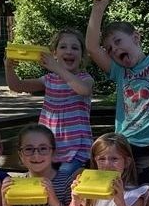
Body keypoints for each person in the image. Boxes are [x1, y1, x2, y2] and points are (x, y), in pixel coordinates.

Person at [85, 0, 149, 185]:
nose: (114, 50)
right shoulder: (119, 71)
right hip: (124, 144)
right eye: (110, 49)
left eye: (118, 41)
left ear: (136, 37)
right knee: (119, 187)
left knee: (148, 189)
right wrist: (98, 7)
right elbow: (92, 47)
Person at [5, 28, 94, 179]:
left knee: (63, 181)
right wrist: (9, 68)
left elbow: (83, 90)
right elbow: (17, 86)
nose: (69, 51)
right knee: (42, 182)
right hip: (47, 150)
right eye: (63, 47)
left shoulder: (85, 79)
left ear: (82, 56)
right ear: (54, 53)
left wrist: (57, 68)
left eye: (75, 48)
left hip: (75, 151)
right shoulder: (48, 80)